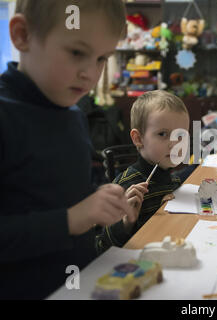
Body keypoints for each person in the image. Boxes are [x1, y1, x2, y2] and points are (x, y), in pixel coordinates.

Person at [0, 0, 138, 299]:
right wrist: (70, 220)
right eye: (77, 53)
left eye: (102, 58)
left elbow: (77, 189)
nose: (91, 73)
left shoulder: (73, 112)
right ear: (22, 35)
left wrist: (106, 197)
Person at [95, 90, 190, 254]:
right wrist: (126, 222)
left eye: (180, 135)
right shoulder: (124, 187)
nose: (175, 143)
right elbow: (101, 247)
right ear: (138, 139)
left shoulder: (173, 182)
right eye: (163, 134)